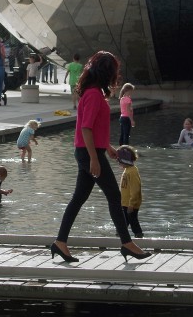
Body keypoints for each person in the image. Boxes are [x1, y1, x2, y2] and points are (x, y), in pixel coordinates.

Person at [50, 51, 151, 264]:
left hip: (89, 150)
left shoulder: (92, 92)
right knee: (115, 196)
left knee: (79, 198)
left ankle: (60, 242)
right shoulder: (94, 94)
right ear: (108, 72)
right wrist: (95, 158)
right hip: (89, 153)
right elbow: (86, 129)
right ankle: (126, 243)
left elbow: (93, 128)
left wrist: (107, 147)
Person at [117, 145, 143, 239]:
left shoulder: (132, 171)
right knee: (124, 221)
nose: (118, 162)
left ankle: (139, 235)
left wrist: (131, 204)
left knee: (132, 221)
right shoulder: (127, 170)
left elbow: (135, 189)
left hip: (131, 203)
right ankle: (120, 235)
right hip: (125, 202)